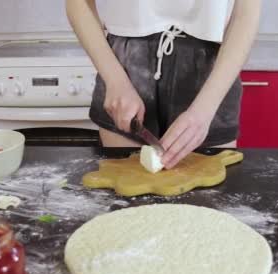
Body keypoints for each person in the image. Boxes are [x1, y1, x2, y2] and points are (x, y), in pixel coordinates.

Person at [67, 0, 261, 169]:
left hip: (211, 73)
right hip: (124, 68)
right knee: (125, 200)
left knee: (208, 200)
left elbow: (245, 15)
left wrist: (205, 109)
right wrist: (115, 81)